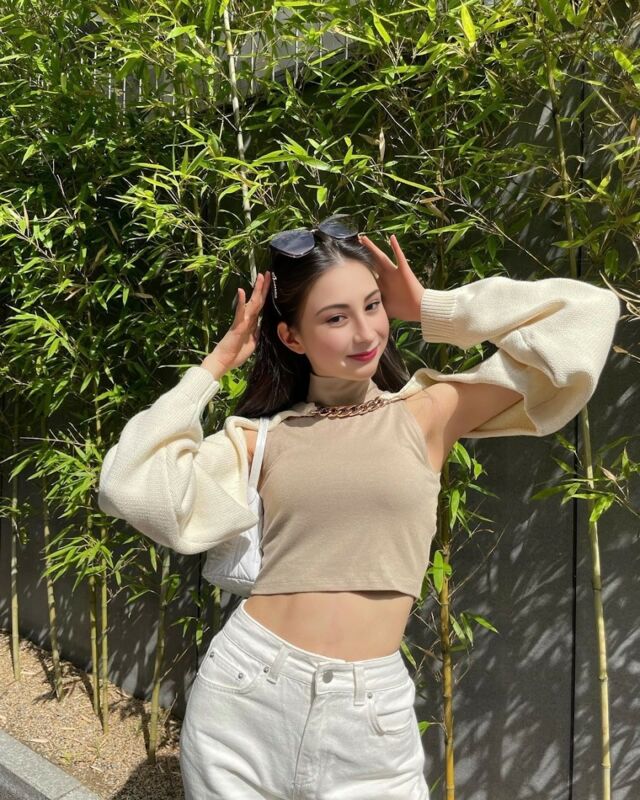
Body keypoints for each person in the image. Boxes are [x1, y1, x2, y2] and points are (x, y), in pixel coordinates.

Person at [97, 215, 621, 799]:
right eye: (335, 318)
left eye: (372, 306)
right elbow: (128, 484)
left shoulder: (427, 414)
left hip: (370, 715)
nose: (366, 332)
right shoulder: (259, 439)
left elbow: (588, 313)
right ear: (292, 337)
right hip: (245, 695)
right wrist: (215, 365)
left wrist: (430, 308)